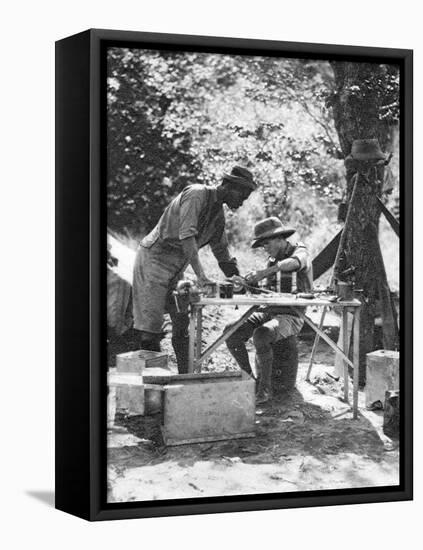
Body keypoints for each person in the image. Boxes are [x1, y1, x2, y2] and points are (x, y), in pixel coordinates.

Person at [132, 165, 257, 373]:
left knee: (182, 325)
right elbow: (187, 236)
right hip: (155, 259)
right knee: (150, 328)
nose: (242, 201)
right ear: (227, 186)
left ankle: (185, 379)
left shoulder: (218, 215)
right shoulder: (197, 194)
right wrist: (201, 276)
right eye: (242, 194)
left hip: (177, 266)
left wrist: (236, 277)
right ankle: (149, 388)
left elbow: (221, 250)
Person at [226, 217, 313, 403]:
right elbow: (266, 291)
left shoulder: (300, 251)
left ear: (281, 238)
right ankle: (250, 380)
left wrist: (265, 272)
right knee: (231, 332)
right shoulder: (272, 261)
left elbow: (294, 264)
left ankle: (264, 390)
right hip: (269, 312)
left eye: (267, 243)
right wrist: (246, 283)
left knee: (262, 335)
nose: (265, 248)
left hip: (292, 315)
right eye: (263, 245)